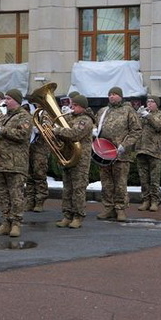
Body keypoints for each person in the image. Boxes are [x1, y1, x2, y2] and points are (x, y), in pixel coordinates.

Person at [94, 86, 142, 221]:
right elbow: (94, 124)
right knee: (106, 183)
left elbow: (137, 130)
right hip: (104, 154)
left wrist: (125, 145)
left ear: (121, 96)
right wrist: (94, 131)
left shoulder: (128, 111)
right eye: (110, 94)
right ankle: (108, 208)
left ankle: (120, 209)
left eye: (115, 94)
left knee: (120, 183)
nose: (112, 96)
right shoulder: (103, 111)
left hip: (121, 154)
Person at [0, 89, 31, 237]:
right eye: (5, 98)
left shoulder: (24, 116)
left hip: (16, 163)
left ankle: (16, 224)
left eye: (9, 98)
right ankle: (5, 222)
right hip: (2, 162)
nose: (5, 101)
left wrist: (2, 130)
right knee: (3, 195)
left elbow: (22, 134)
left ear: (17, 101)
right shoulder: (5, 116)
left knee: (16, 195)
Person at [52, 95, 94, 228]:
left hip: (80, 159)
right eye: (72, 105)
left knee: (78, 189)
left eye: (75, 105)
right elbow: (62, 130)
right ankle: (67, 215)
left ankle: (78, 216)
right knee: (67, 188)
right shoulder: (70, 117)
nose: (72, 107)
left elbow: (75, 134)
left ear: (82, 107)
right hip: (68, 156)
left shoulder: (85, 120)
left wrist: (58, 130)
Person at [135, 96, 161, 212]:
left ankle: (154, 201)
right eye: (148, 101)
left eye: (152, 102)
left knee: (154, 179)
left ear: (157, 104)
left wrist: (148, 116)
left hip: (154, 151)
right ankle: (146, 200)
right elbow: (134, 127)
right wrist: (138, 115)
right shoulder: (142, 115)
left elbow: (160, 126)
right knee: (143, 179)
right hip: (141, 149)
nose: (150, 103)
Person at [25, 98, 50, 213]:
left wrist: (39, 129)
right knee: (29, 175)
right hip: (30, 147)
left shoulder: (46, 113)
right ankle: (30, 200)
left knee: (39, 174)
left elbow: (49, 128)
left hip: (41, 148)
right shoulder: (32, 111)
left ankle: (40, 200)